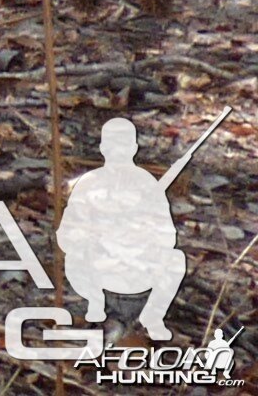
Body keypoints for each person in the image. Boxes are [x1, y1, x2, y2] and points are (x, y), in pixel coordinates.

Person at [58, 117, 189, 338]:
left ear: (134, 148)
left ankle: (152, 317)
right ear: (102, 147)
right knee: (75, 258)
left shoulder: (148, 184)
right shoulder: (87, 184)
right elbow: (65, 236)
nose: (118, 151)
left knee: (176, 260)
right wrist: (98, 235)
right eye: (112, 145)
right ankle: (96, 308)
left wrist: (140, 236)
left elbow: (168, 236)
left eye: (124, 145)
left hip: (138, 265)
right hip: (99, 266)